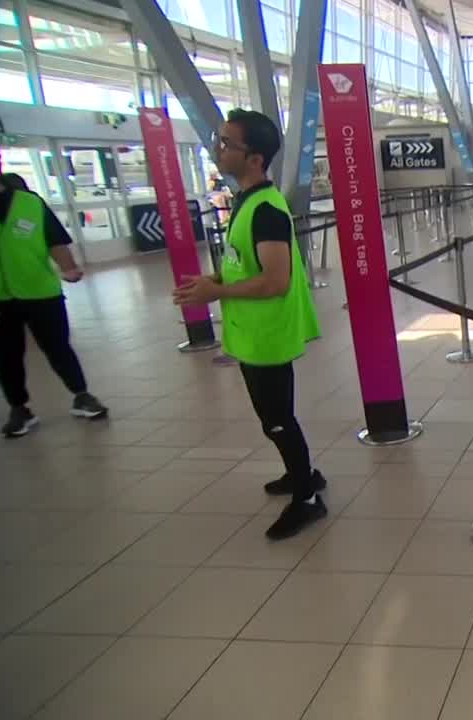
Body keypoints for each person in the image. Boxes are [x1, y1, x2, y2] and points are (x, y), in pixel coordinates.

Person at [172, 109, 325, 541]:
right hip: (253, 331)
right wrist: (214, 281)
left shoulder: (266, 210)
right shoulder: (246, 201)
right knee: (272, 416)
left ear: (255, 158)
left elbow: (275, 280)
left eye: (227, 144)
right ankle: (303, 473)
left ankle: (307, 496)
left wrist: (215, 293)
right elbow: (246, 265)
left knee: (277, 419)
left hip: (268, 333)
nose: (218, 150)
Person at [0, 135, 108, 437]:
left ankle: (81, 395)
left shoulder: (29, 202)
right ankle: (19, 408)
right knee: (6, 355)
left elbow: (55, 239)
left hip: (40, 291)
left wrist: (68, 267)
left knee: (58, 347)